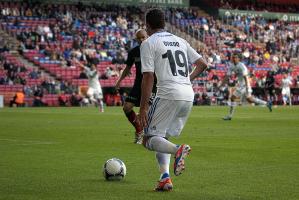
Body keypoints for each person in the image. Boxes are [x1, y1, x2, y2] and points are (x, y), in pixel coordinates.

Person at [138, 8, 208, 191]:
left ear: (147, 25)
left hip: (168, 94)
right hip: (187, 94)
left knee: (148, 139)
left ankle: (178, 149)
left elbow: (148, 77)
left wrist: (143, 108)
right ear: (164, 23)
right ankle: (165, 178)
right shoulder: (180, 40)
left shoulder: (148, 43)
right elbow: (203, 64)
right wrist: (186, 80)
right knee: (163, 137)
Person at [115, 29, 149, 144]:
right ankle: (139, 131)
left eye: (143, 37)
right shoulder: (133, 52)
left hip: (152, 84)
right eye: (139, 38)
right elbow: (127, 68)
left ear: (147, 36)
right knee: (127, 107)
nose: (141, 40)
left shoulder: (154, 49)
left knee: (148, 111)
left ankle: (152, 137)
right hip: (139, 83)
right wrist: (119, 81)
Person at [221, 53, 272, 120]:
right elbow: (227, 76)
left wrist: (247, 87)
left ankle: (230, 116)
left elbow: (246, 77)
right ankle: (267, 103)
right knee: (250, 99)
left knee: (233, 97)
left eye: (236, 57)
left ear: (239, 59)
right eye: (233, 57)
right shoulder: (231, 66)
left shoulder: (242, 66)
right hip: (241, 84)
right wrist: (222, 84)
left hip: (245, 84)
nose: (234, 59)